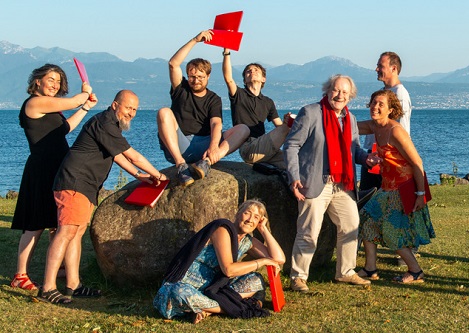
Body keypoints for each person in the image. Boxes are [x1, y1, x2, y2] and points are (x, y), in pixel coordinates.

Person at [36, 90, 168, 304]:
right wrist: (159, 175)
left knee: (76, 233)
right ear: (115, 105)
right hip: (74, 182)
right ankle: (48, 287)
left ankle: (73, 284)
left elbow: (117, 155)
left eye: (135, 109)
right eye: (128, 108)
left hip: (87, 185)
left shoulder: (111, 126)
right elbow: (132, 155)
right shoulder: (105, 122)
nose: (132, 113)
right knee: (66, 231)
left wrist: (138, 175)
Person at [284, 74, 378, 292]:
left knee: (351, 226)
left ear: (350, 96)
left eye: (345, 92)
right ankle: (298, 277)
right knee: (309, 231)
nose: (340, 95)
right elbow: (291, 146)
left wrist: (366, 158)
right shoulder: (310, 113)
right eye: (336, 90)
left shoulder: (350, 119)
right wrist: (294, 176)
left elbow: (354, 149)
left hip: (342, 184)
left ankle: (345, 272)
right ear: (327, 91)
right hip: (315, 182)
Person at [10, 64, 96, 291]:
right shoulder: (35, 103)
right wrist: (84, 93)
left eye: (58, 81)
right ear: (37, 81)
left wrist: (85, 107)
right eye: (51, 79)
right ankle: (20, 275)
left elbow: (64, 129)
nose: (55, 85)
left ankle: (57, 268)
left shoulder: (51, 109)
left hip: (58, 168)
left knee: (56, 223)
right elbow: (72, 101)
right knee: (34, 225)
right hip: (41, 169)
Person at [154, 199, 285, 324]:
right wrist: (262, 261)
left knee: (256, 279)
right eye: (247, 213)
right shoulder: (222, 229)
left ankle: (207, 310)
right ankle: (225, 308)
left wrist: (263, 229)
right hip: (187, 285)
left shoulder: (248, 241)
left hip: (214, 289)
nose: (250, 220)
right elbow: (228, 270)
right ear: (238, 213)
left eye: (256, 217)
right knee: (177, 292)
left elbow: (279, 259)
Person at [357, 90, 435, 283]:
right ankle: (370, 268)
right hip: (386, 188)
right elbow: (349, 127)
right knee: (367, 221)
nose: (375, 107)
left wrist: (420, 194)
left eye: (381, 104)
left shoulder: (395, 130)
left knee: (391, 232)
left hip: (403, 189)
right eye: (373, 102)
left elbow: (417, 162)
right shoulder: (375, 126)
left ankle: (415, 271)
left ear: (390, 110)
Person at [157, 30, 249, 187]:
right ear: (187, 75)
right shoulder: (181, 89)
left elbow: (216, 124)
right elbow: (173, 64)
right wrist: (195, 39)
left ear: (208, 77)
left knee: (243, 129)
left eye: (200, 77)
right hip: (181, 144)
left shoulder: (214, 99)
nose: (196, 80)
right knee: (164, 112)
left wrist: (213, 147)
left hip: (205, 148)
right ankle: (181, 166)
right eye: (192, 76)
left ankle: (206, 164)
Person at [221, 48, 292, 169]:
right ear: (244, 80)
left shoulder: (268, 102)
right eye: (248, 71)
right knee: (288, 126)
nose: (252, 72)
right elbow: (228, 78)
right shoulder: (239, 95)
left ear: (263, 79)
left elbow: (279, 126)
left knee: (295, 165)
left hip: (264, 147)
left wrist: (287, 121)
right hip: (248, 147)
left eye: (256, 70)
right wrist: (227, 53)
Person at [360, 51, 413, 192]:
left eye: (380, 66)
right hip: (375, 154)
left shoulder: (399, 94)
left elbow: (394, 128)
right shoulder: (384, 92)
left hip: (387, 156)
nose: (376, 69)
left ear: (393, 68)